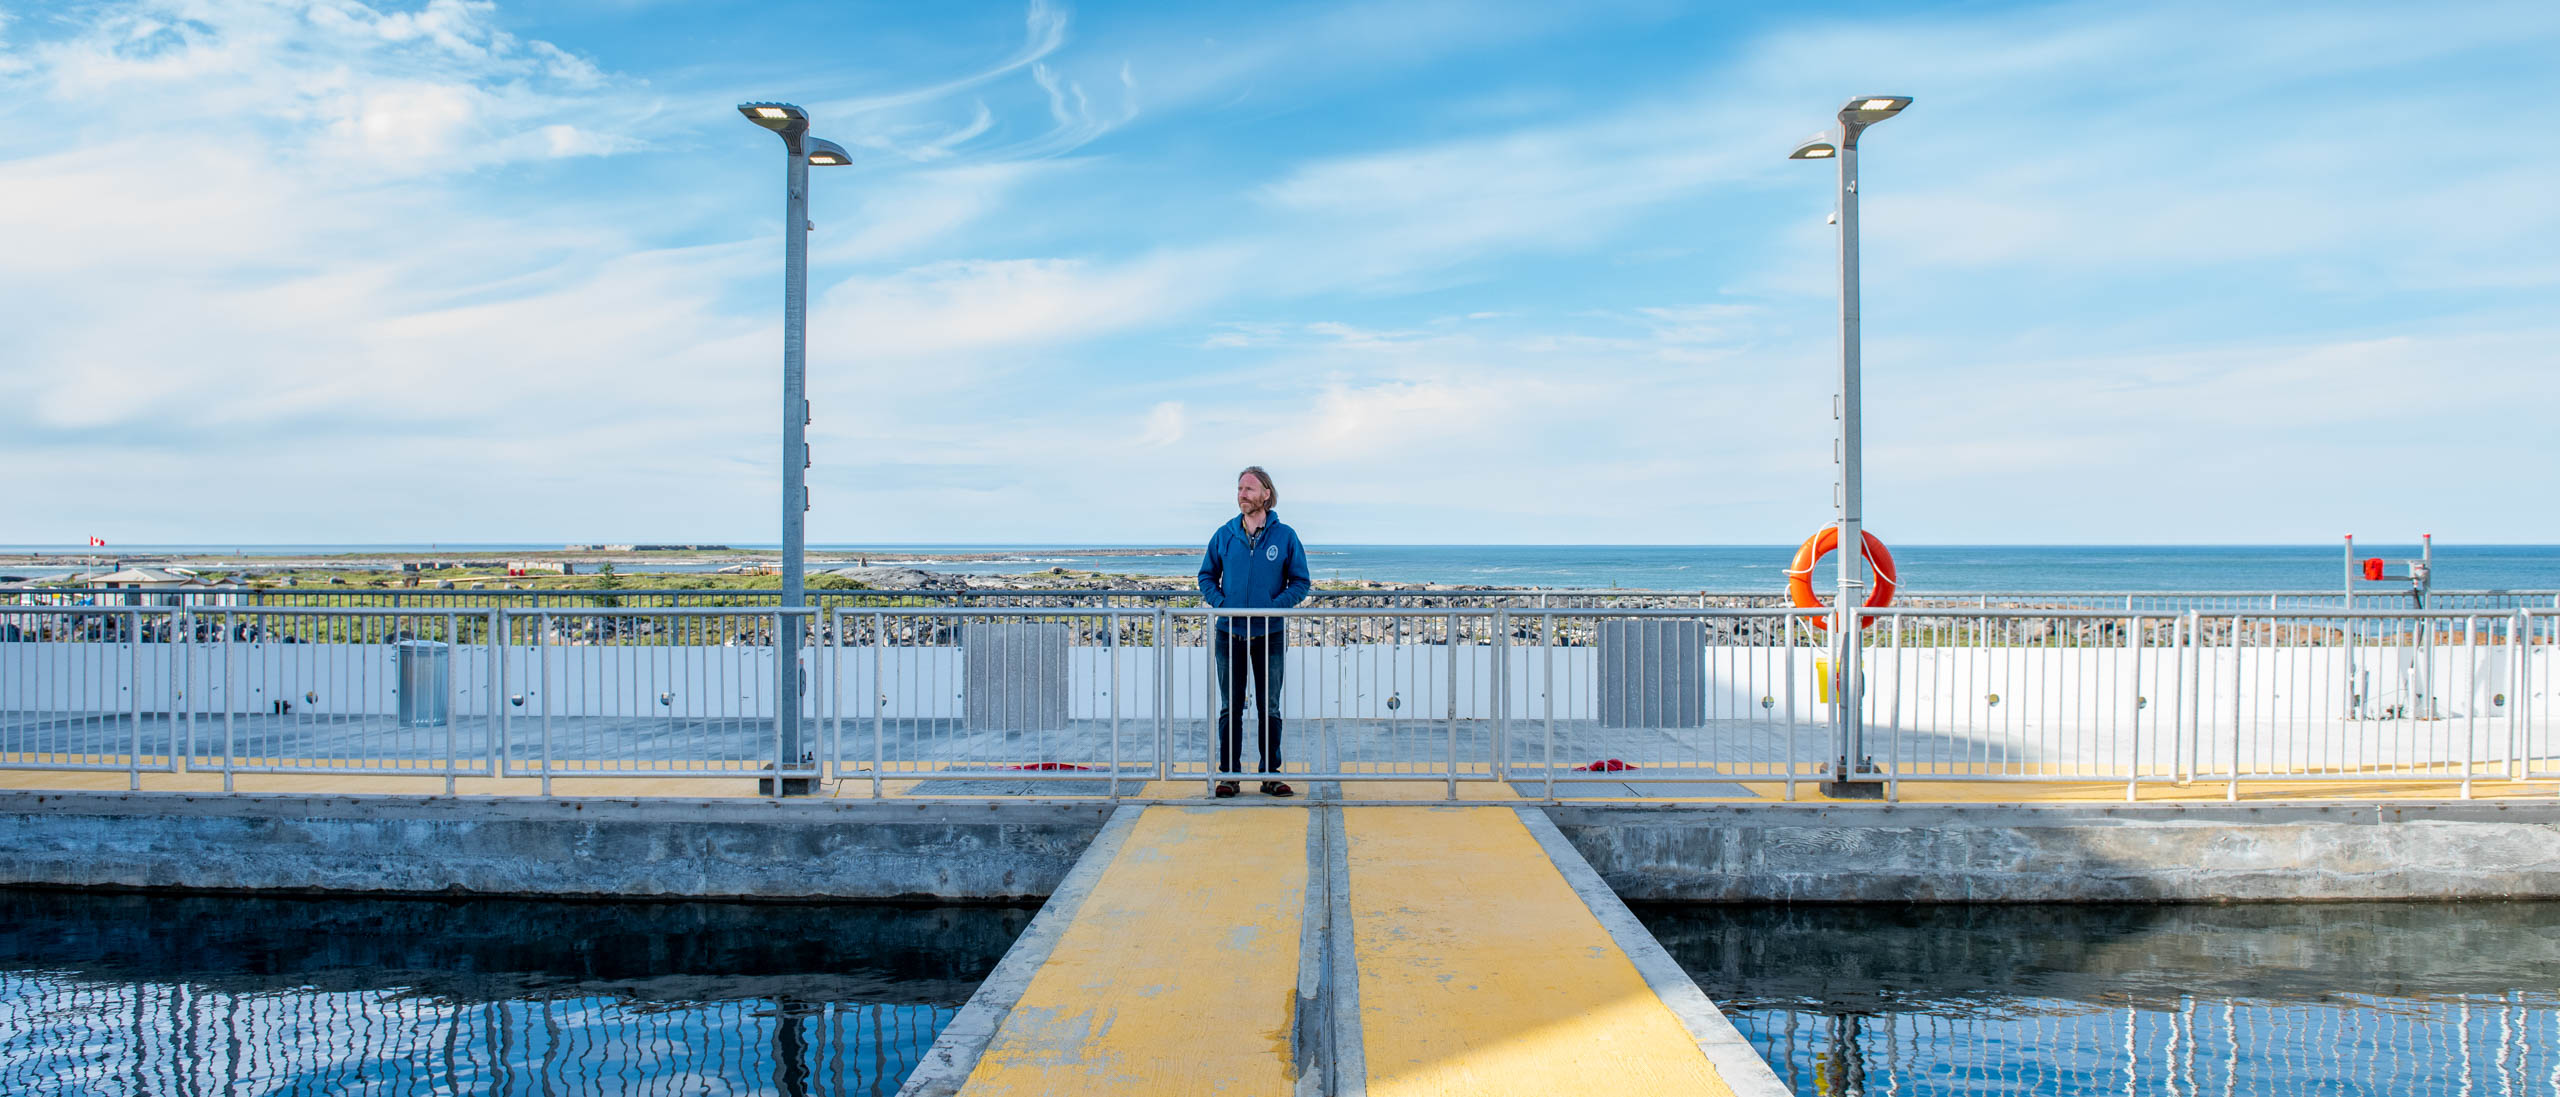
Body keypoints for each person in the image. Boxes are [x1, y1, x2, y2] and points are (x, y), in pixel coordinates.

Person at [1197, 466, 1311, 797]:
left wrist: (1276, 607)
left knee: (1269, 706)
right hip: (1228, 633)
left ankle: (1270, 775)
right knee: (1230, 707)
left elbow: (1301, 582)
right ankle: (1229, 775)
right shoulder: (1225, 534)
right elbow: (1206, 576)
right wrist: (1222, 604)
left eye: (1249, 488)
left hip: (1270, 633)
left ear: (1266, 494)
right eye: (1239, 488)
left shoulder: (1285, 536)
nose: (1242, 494)